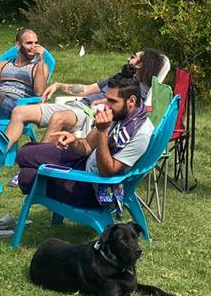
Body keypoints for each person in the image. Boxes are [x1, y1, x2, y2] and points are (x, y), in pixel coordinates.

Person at [10, 74, 154, 209]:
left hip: (96, 188)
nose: (106, 106)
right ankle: (47, 171)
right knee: (23, 153)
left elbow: (107, 172)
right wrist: (74, 141)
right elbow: (86, 146)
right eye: (107, 99)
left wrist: (103, 131)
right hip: (85, 162)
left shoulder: (140, 133)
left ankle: (42, 174)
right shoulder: (121, 114)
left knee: (26, 176)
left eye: (112, 101)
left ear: (132, 101)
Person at [2, 47, 170, 146]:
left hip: (90, 115)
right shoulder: (119, 77)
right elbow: (87, 89)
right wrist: (58, 85)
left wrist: (104, 102)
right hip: (77, 105)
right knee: (20, 111)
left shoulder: (139, 89)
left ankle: (37, 164)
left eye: (133, 57)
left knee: (58, 118)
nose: (128, 58)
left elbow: (128, 110)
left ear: (141, 64)